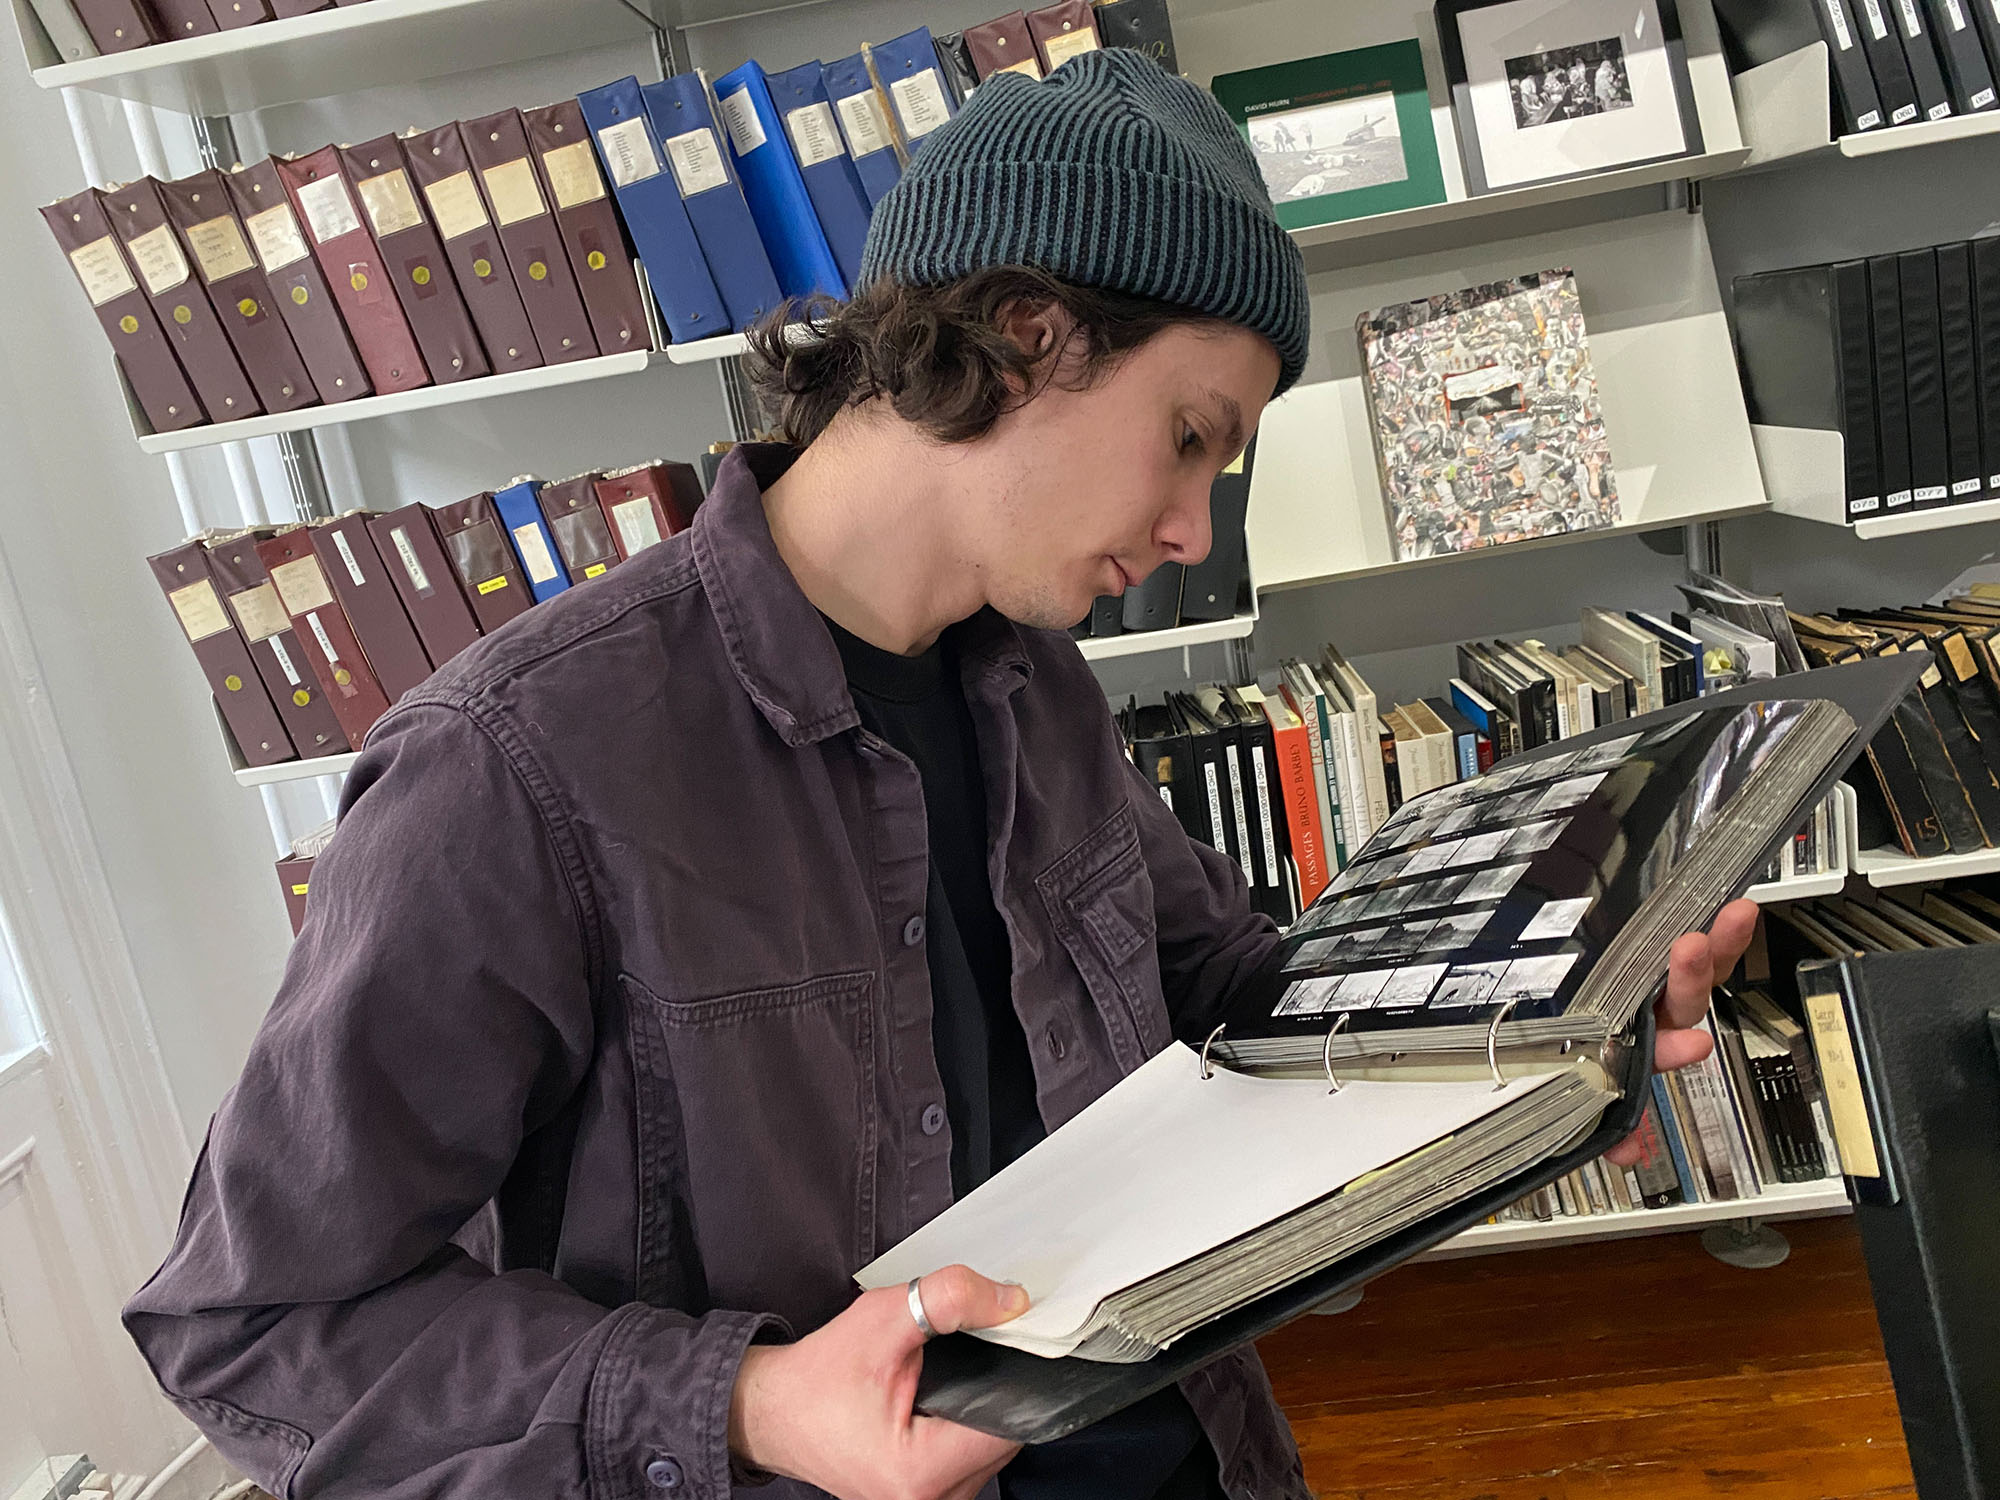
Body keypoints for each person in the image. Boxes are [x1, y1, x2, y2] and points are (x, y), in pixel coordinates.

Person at [122, 49, 1755, 1500]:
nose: (1194, 530)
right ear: (1025, 337)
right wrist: (751, 1401)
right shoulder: (519, 766)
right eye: (1189, 435)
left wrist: (1530, 1042)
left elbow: (1225, 1006)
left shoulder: (1028, 683)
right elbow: (257, 1324)